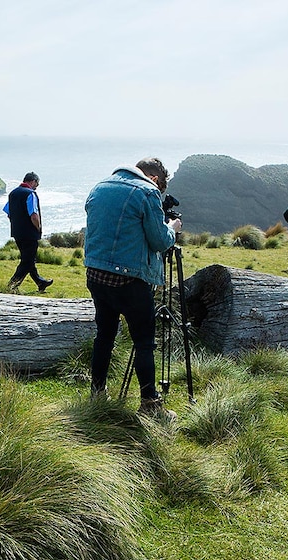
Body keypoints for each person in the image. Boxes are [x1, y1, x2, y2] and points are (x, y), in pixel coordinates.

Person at [84, 157, 182, 419]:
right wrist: (171, 229)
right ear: (154, 178)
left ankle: (98, 394)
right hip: (129, 280)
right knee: (144, 342)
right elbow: (160, 241)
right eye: (160, 185)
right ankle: (150, 406)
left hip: (96, 274)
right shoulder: (147, 192)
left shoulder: (100, 186)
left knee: (104, 335)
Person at [3, 172, 53, 292]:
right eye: (37, 184)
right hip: (29, 233)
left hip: (17, 232)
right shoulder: (30, 194)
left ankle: (40, 282)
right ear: (33, 181)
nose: (37, 186)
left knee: (28, 258)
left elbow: (8, 212)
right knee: (27, 261)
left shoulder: (13, 193)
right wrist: (38, 227)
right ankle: (12, 285)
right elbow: (34, 215)